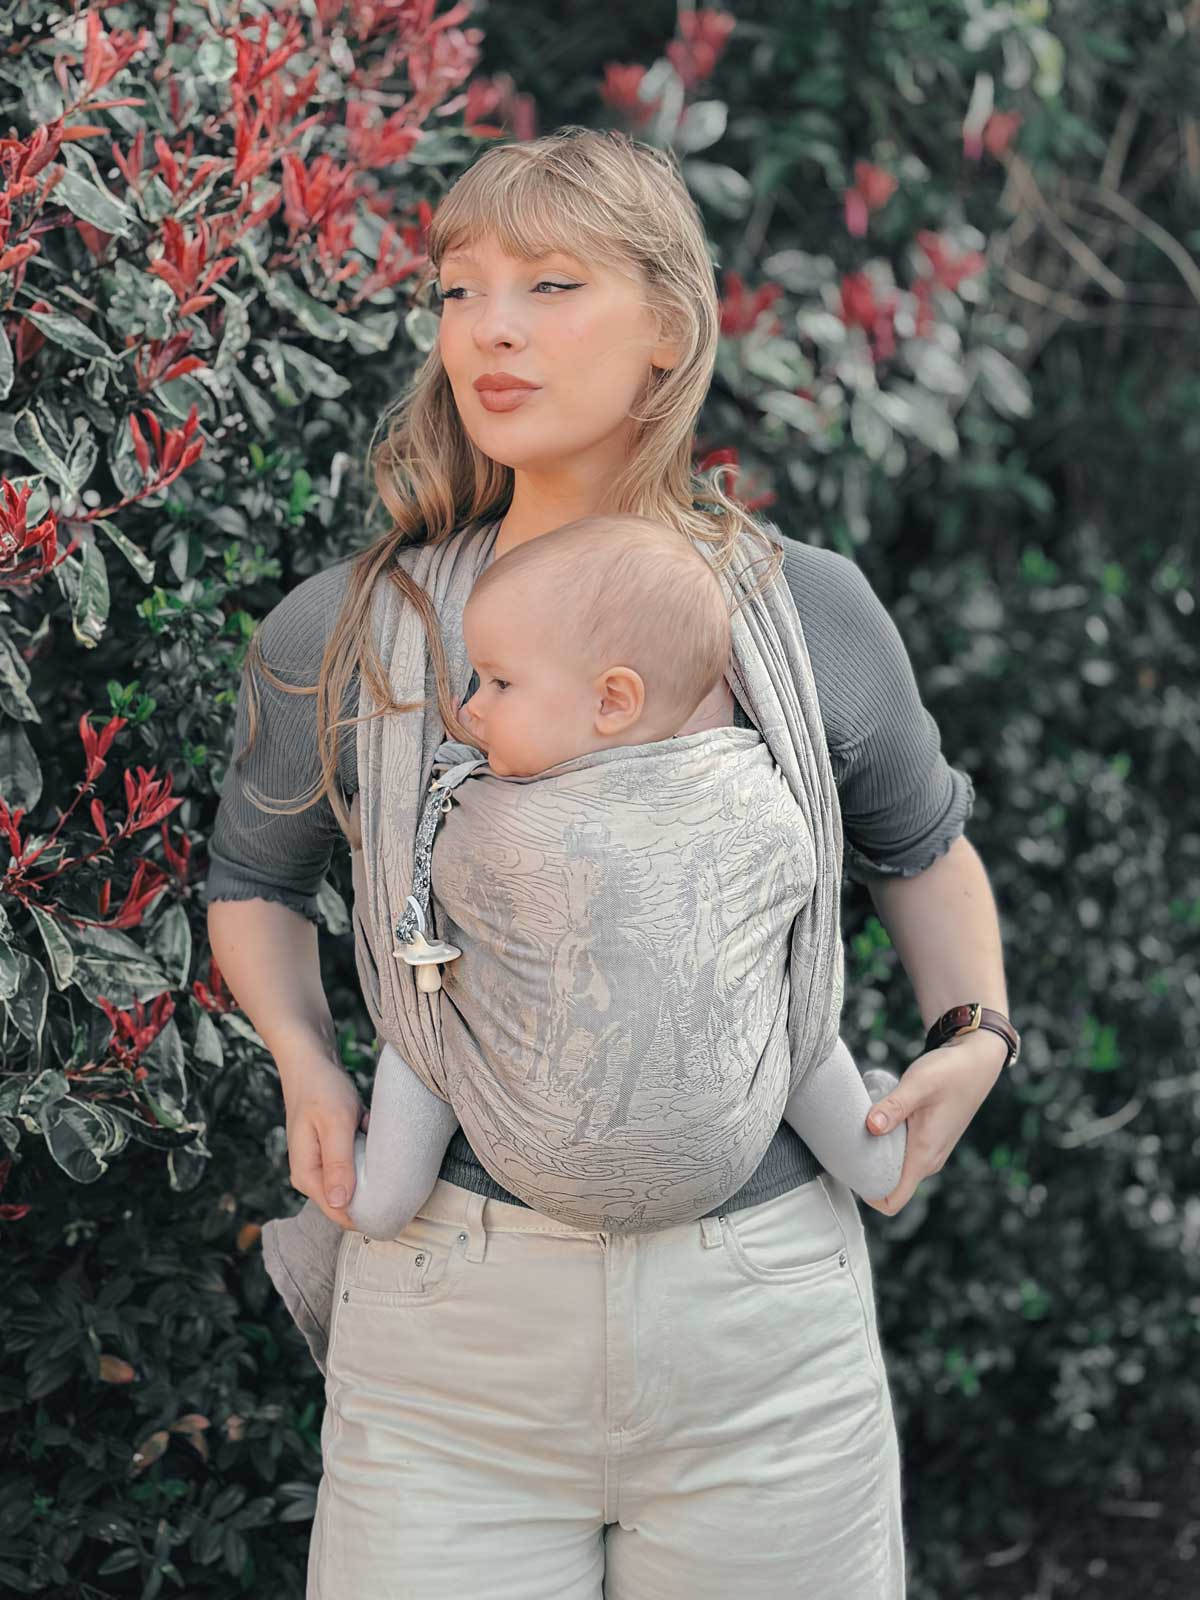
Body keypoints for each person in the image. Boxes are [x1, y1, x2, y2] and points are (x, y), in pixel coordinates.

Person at [205, 126, 1013, 1599]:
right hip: (452, 1341)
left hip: (762, 1336)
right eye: (459, 291)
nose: (490, 329)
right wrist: (309, 1066)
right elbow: (253, 882)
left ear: (669, 331)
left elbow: (924, 850)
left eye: (551, 284)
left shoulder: (805, 612)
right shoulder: (345, 633)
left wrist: (976, 1032)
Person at [347, 510, 907, 1245]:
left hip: (530, 1152)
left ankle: (379, 1200)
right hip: (726, 1150)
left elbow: (428, 886)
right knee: (798, 1032)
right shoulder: (757, 782)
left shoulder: (487, 815)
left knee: (424, 1027)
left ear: (612, 701)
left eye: (499, 683)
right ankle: (875, 1162)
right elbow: (792, 870)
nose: (468, 710)